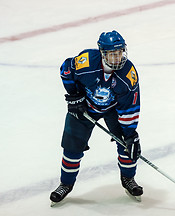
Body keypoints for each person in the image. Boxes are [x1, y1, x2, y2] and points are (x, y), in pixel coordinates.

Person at [50, 30, 142, 203]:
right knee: (72, 147)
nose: (118, 58)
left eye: (120, 52)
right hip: (86, 107)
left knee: (127, 145)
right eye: (112, 54)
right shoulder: (87, 62)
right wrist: (74, 96)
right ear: (102, 53)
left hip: (114, 110)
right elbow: (66, 69)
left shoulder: (128, 74)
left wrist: (130, 133)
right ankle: (66, 184)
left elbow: (130, 105)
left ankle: (128, 179)